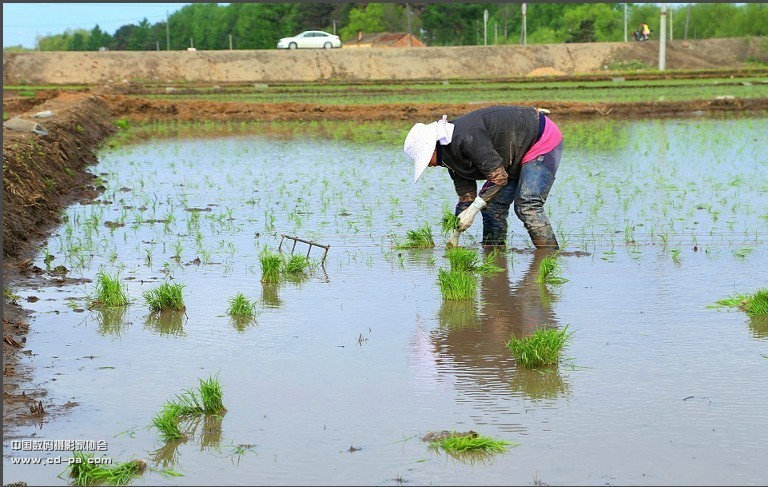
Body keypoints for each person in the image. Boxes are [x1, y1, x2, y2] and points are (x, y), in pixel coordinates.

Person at [403, 106, 563, 248]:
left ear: (433, 149)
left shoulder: (467, 138)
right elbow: (467, 197)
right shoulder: (448, 157)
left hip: (540, 138)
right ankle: (494, 258)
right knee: (492, 207)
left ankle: (548, 259)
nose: (428, 165)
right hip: (513, 153)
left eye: (425, 159)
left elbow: (498, 178)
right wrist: (455, 234)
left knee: (527, 204)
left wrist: (472, 211)